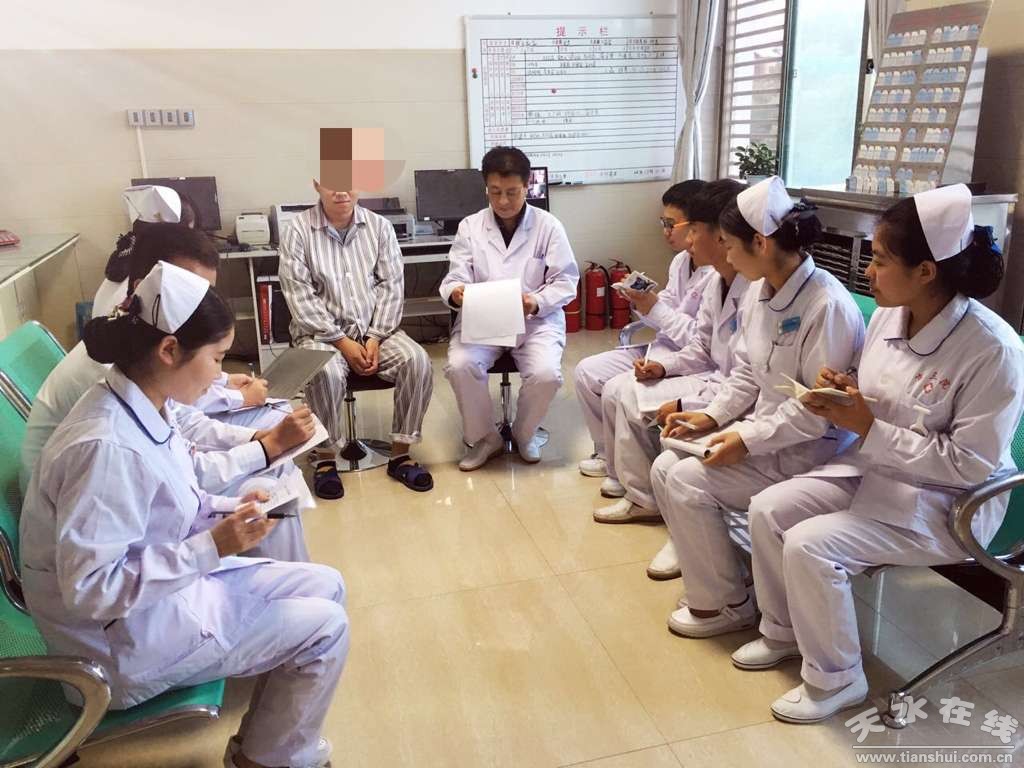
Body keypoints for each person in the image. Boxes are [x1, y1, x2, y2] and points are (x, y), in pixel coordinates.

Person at [19, 261, 348, 768]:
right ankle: (270, 759)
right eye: (216, 358)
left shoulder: (140, 400)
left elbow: (176, 487)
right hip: (120, 646)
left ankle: (269, 742)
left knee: (327, 585)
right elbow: (91, 591)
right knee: (325, 627)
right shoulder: (107, 449)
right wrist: (214, 545)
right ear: (169, 350)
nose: (220, 375)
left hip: (160, 599)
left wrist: (232, 510)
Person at [729, 184, 1024, 724]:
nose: (867, 271)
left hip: (947, 502)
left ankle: (837, 678)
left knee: (811, 545)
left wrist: (868, 425)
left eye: (881, 259)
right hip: (876, 468)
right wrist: (847, 390)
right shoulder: (892, 314)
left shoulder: (992, 350)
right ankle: (783, 632)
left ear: (926, 272)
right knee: (769, 508)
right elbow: (885, 396)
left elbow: (970, 464)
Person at [649, 176, 865, 639]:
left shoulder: (825, 306)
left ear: (761, 244)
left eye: (729, 245)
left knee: (686, 480)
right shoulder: (762, 292)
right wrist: (712, 417)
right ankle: (726, 585)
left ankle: (725, 605)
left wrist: (745, 440)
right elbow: (747, 370)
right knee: (666, 464)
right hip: (769, 433)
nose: (725, 257)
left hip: (812, 451)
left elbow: (817, 410)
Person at [21, 226, 314, 562]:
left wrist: (255, 436)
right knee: (266, 487)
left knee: (270, 484)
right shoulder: (110, 419)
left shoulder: (140, 362)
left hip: (116, 517)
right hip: (93, 526)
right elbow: (93, 580)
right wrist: (261, 447)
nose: (204, 305)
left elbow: (182, 435)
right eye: (192, 291)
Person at [592, 180, 751, 582]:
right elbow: (702, 346)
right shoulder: (715, 279)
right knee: (620, 388)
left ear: (722, 235)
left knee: (635, 404)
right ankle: (639, 493)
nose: (686, 239)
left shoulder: (755, 289)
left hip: (728, 392)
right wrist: (664, 369)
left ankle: (678, 524)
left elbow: (745, 377)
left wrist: (692, 407)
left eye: (691, 229)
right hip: (706, 374)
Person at [279, 181, 434, 499]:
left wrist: (375, 336)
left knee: (417, 360)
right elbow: (300, 296)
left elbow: (392, 286)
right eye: (332, 183)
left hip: (377, 332)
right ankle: (325, 458)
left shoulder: (380, 227)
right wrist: (342, 341)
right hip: (320, 335)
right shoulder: (298, 230)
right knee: (324, 371)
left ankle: (400, 454)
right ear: (317, 184)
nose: (341, 192)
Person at [440, 146, 580, 469]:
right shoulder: (470, 227)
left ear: (527, 185)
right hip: (483, 321)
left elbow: (566, 281)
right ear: (486, 188)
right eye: (495, 192)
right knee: (460, 365)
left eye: (512, 192)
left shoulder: (548, 226)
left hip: (534, 322)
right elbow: (454, 277)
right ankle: (485, 438)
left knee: (546, 375)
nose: (503, 201)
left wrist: (536, 301)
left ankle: (524, 433)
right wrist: (457, 293)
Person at [573, 180, 712, 480]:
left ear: (698, 226)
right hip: (663, 347)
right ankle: (605, 452)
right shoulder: (681, 262)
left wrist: (655, 307)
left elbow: (698, 340)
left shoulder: (716, 273)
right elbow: (665, 311)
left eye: (671, 224)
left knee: (617, 389)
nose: (665, 231)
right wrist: (641, 302)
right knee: (586, 372)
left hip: (692, 361)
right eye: (663, 223)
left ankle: (629, 471)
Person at [95, 185, 271, 421]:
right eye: (192, 290)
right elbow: (179, 407)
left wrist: (223, 380)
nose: (204, 304)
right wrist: (239, 398)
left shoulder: (144, 309)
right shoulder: (129, 328)